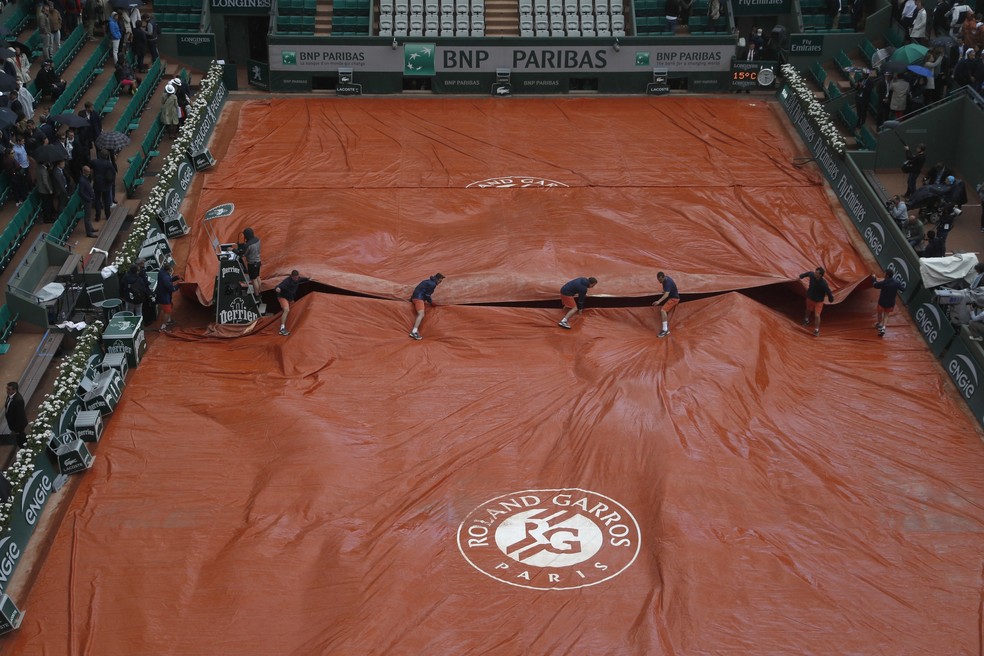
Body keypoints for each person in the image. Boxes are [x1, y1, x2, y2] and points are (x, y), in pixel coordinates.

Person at [799, 267, 835, 336]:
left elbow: (828, 291)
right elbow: (808, 273)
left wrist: (831, 299)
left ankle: (816, 330)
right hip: (810, 298)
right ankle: (806, 320)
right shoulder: (812, 275)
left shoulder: (823, 284)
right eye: (815, 272)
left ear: (820, 275)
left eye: (816, 273)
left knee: (817, 315)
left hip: (818, 301)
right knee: (808, 310)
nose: (815, 273)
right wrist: (801, 276)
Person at [409, 273, 445, 340]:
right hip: (419, 299)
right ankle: (414, 331)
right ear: (438, 280)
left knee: (420, 314)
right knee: (421, 314)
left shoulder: (426, 281)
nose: (440, 283)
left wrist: (412, 298)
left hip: (414, 298)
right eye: (440, 281)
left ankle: (414, 331)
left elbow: (417, 288)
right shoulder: (432, 284)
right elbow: (427, 295)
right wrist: (431, 302)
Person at [275, 270, 308, 336]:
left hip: (290, 298)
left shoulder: (298, 279)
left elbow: (303, 279)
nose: (296, 279)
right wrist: (277, 288)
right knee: (286, 309)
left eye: (297, 277)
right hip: (283, 297)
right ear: (292, 277)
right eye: (295, 278)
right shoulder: (287, 281)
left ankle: (293, 324)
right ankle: (282, 329)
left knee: (295, 309)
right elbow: (279, 286)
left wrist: (309, 278)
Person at [652, 271, 680, 338]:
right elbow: (667, 291)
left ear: (663, 277)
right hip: (671, 296)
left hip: (674, 299)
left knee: (663, 310)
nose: (659, 282)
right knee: (664, 310)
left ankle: (665, 330)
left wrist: (658, 301)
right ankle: (665, 329)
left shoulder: (667, 283)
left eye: (660, 280)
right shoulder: (665, 279)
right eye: (658, 280)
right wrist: (665, 291)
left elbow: (666, 295)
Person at [155, 262, 181, 331]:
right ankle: (163, 327)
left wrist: (175, 278)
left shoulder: (161, 272)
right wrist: (178, 285)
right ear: (169, 269)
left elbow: (168, 280)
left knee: (169, 307)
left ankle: (167, 321)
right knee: (167, 311)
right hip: (164, 297)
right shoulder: (165, 277)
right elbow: (171, 288)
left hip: (161, 294)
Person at [237, 227, 261, 293]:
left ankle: (256, 295)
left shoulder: (248, 245)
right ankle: (260, 292)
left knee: (254, 280)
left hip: (252, 264)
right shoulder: (257, 240)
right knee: (258, 277)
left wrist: (233, 250)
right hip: (258, 261)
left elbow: (243, 254)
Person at [5, 381, 28, 449]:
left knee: (20, 437)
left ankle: (24, 448)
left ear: (14, 390)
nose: (7, 390)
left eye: (9, 389)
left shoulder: (18, 400)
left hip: (18, 425)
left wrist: (17, 429)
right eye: (7, 389)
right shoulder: (9, 396)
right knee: (20, 437)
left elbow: (19, 416)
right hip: (13, 424)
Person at [78, 164, 97, 237]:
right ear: (84, 172)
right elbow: (81, 192)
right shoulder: (82, 180)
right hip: (87, 201)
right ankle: (89, 232)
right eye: (88, 172)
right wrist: (88, 199)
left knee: (89, 216)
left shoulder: (85, 178)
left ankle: (91, 228)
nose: (89, 173)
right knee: (87, 217)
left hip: (89, 199)